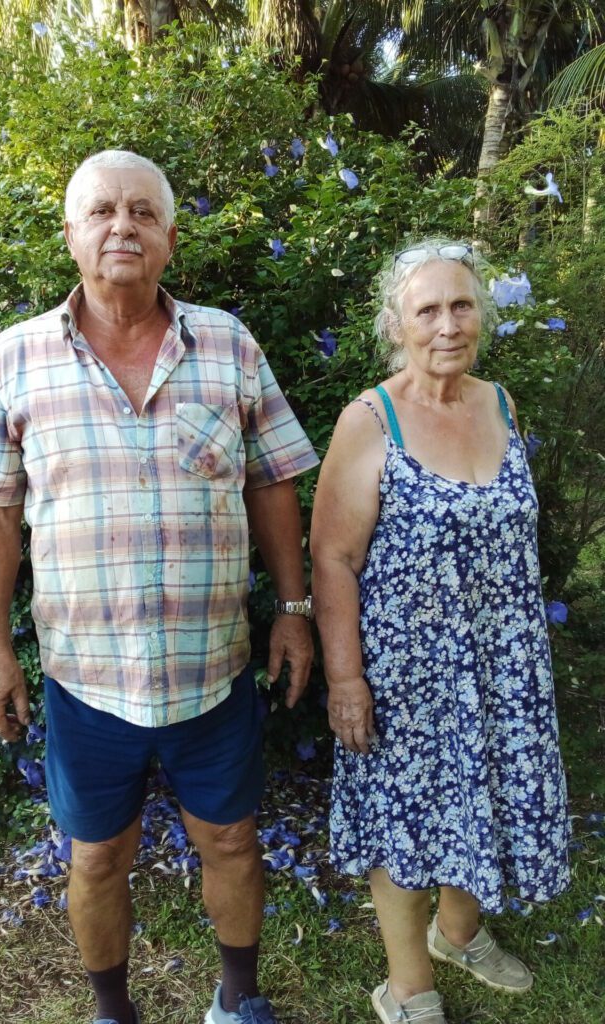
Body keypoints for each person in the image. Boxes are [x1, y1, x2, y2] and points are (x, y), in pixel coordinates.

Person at [0, 150, 319, 1024]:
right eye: (102, 211)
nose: (123, 226)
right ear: (71, 235)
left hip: (212, 671)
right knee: (96, 858)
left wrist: (293, 612)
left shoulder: (228, 343)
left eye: (143, 213)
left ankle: (238, 1002)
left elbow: (273, 482)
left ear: (171, 240)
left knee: (232, 840)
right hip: (85, 680)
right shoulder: (12, 359)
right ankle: (114, 1014)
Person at [310, 239, 570, 1024]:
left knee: (480, 794)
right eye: (428, 309)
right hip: (408, 671)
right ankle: (407, 983)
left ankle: (459, 932)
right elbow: (332, 556)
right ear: (398, 323)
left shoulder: (500, 403)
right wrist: (347, 679)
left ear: (481, 315)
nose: (448, 324)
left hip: (503, 660)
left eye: (462, 305)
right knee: (406, 821)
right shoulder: (370, 420)